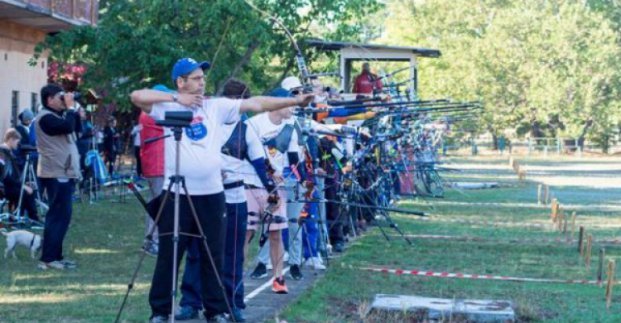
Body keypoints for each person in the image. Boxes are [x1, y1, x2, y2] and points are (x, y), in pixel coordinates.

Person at [130, 57, 313, 323]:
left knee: (212, 253)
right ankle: (160, 311)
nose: (202, 82)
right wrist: (175, 99)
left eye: (203, 78)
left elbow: (257, 103)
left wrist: (295, 101)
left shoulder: (215, 107)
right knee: (170, 252)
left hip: (212, 194)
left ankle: (215, 310)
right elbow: (136, 96)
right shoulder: (164, 105)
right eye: (195, 78)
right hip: (177, 193)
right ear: (180, 82)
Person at [175, 79, 276, 322]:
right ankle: (191, 302)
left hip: (234, 198)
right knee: (198, 250)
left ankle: (232, 303)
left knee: (232, 253)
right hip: (205, 196)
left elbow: (261, 165)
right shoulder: (207, 121)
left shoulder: (247, 130)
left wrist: (272, 189)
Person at [245, 86, 308, 293]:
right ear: (276, 103)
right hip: (251, 184)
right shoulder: (253, 123)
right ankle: (236, 278)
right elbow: (247, 153)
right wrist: (269, 171)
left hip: (276, 188)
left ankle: (278, 279)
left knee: (276, 234)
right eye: (288, 103)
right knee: (248, 232)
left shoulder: (291, 126)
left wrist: (304, 182)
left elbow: (293, 159)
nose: (292, 107)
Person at [34, 83, 81, 270]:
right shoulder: (45, 118)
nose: (64, 100)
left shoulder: (57, 116)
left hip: (63, 171)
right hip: (55, 172)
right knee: (57, 215)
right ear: (49, 99)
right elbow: (68, 126)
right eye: (60, 97)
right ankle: (48, 258)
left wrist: (74, 110)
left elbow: (77, 128)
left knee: (63, 215)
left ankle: (56, 256)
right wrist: (70, 109)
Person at [0, 128, 40, 223]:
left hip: (10, 185)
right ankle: (32, 218)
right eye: (17, 141)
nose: (18, 145)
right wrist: (23, 186)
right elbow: (6, 177)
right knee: (26, 192)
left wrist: (25, 183)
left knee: (30, 189)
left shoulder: (9, 153)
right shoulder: (2, 153)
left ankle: (23, 216)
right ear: (10, 139)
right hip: (4, 188)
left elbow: (14, 175)